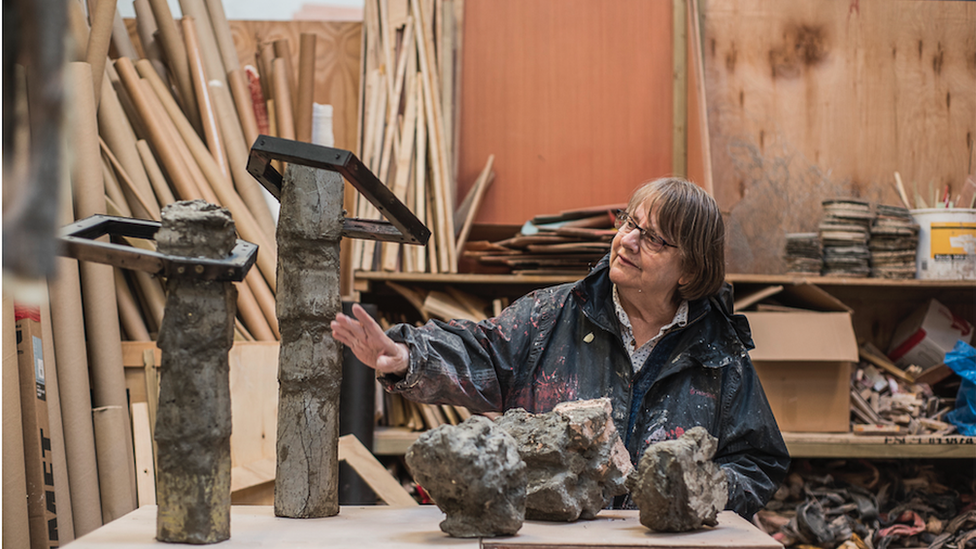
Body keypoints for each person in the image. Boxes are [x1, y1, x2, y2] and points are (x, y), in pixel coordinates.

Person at [331, 177, 790, 518]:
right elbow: (481, 352)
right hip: (554, 541)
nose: (626, 240)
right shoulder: (553, 314)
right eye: (630, 222)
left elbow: (758, 461)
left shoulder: (718, 354)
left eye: (652, 238)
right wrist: (410, 357)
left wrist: (699, 488)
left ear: (688, 271)